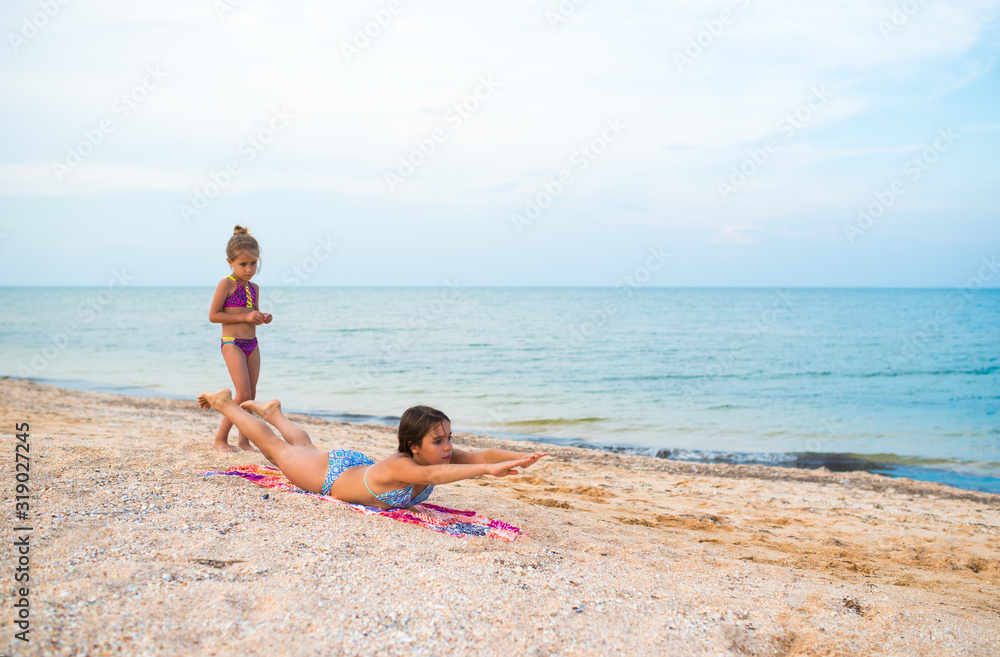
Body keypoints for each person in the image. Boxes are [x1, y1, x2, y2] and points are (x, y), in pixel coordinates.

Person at [197, 389, 547, 508]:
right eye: (438, 440)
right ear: (414, 445)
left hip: (355, 466)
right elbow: (437, 475)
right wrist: (487, 472)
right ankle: (226, 403)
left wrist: (519, 458)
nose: (448, 447)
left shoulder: (433, 455)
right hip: (331, 475)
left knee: (304, 446)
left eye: (448, 438)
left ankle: (274, 412)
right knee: (274, 449)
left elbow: (480, 456)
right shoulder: (404, 466)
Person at [208, 225, 272, 452]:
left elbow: (250, 315)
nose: (249, 269)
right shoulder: (226, 284)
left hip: (251, 344)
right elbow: (214, 315)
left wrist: (261, 317)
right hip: (232, 344)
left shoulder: (254, 288)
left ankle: (244, 441)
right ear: (230, 262)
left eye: (253, 263)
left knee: (251, 395)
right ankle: (220, 439)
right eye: (243, 264)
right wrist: (245, 315)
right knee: (242, 392)